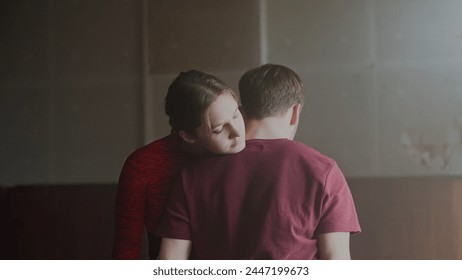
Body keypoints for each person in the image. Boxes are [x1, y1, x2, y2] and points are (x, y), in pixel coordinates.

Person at [156, 64, 361, 260]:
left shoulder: (191, 177)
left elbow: (170, 260)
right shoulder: (324, 171)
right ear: (295, 112)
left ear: (242, 110)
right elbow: (337, 260)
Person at [112, 70, 246, 259]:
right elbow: (127, 247)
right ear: (188, 135)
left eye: (235, 114)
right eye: (218, 129)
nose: (237, 132)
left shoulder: (252, 154)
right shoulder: (143, 166)